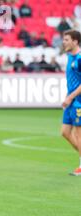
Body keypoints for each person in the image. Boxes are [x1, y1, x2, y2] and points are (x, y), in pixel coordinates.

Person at [61, 30, 81, 176]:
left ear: (75, 41)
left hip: (78, 101)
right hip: (70, 100)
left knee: (78, 133)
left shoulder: (80, 58)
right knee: (65, 132)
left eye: (67, 39)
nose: (64, 42)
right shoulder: (69, 56)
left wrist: (71, 97)